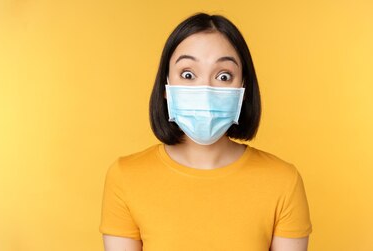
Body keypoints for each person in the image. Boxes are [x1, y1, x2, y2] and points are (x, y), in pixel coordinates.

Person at [99, 13, 312, 251]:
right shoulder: (126, 177)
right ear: (165, 87)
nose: (205, 89)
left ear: (243, 89)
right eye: (188, 75)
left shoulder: (283, 181)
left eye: (223, 76)